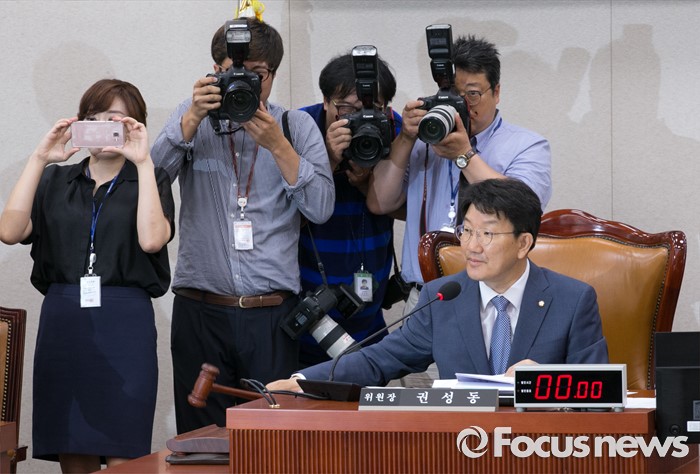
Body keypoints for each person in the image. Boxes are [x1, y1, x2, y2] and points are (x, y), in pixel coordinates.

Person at [150, 16, 334, 434]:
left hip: (271, 314)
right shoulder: (191, 117)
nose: (244, 82)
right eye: (231, 71)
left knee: (272, 441)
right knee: (200, 440)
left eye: (257, 74)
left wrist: (278, 146)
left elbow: (321, 208)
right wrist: (191, 118)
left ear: (273, 75)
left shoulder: (296, 126)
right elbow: (150, 181)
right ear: (215, 71)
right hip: (200, 310)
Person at [268, 179, 607, 390]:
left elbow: (600, 390)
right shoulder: (443, 298)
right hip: (460, 446)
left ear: (523, 244)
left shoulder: (573, 300)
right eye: (467, 230)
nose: (472, 246)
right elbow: (379, 360)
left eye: (487, 234)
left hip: (540, 448)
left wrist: (549, 382)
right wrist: (302, 381)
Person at [0, 79, 174, 472]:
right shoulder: (54, 180)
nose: (102, 127)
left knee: (124, 454)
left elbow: (151, 240)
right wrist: (40, 158)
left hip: (125, 327)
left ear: (135, 125)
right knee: (73, 450)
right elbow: (9, 231)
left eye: (115, 119)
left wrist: (143, 161)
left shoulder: (152, 178)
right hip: (64, 322)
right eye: (92, 119)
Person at [367, 35, 552, 313]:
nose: (462, 104)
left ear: (496, 92)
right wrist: (405, 138)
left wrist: (464, 155)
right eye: (455, 94)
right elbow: (380, 202)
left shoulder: (527, 145)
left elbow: (523, 209)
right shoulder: (423, 143)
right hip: (424, 296)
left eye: (473, 94)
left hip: (492, 297)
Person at [297, 52, 403, 367]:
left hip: (370, 307)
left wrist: (369, 185)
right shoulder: (301, 126)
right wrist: (327, 159)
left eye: (371, 109)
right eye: (346, 109)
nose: (359, 120)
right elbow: (280, 215)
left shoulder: (393, 127)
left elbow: (411, 209)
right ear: (325, 101)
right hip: (306, 306)